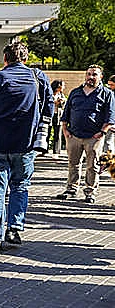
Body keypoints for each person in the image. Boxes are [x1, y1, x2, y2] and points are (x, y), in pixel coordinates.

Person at [0, 41, 53, 252]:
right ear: (26, 59)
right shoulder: (38, 78)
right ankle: (14, 229)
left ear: (5, 59)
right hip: (26, 144)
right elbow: (50, 108)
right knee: (20, 186)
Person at [54, 65, 115, 204]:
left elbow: (110, 117)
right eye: (88, 74)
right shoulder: (76, 92)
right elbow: (66, 113)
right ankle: (71, 189)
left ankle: (90, 191)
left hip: (94, 137)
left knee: (92, 166)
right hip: (74, 135)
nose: (91, 77)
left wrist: (102, 133)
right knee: (73, 164)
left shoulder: (107, 94)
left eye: (94, 74)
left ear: (101, 77)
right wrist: (65, 130)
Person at [50, 80, 67, 157]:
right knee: (47, 133)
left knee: (58, 134)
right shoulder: (49, 93)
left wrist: (62, 102)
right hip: (50, 115)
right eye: (63, 85)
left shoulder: (62, 95)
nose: (64, 87)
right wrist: (54, 103)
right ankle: (44, 150)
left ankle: (56, 152)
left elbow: (64, 106)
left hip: (58, 116)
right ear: (58, 86)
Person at [104, 75, 115, 154]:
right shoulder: (110, 93)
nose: (110, 87)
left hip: (112, 123)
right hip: (110, 122)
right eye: (109, 85)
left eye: (112, 85)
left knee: (108, 142)